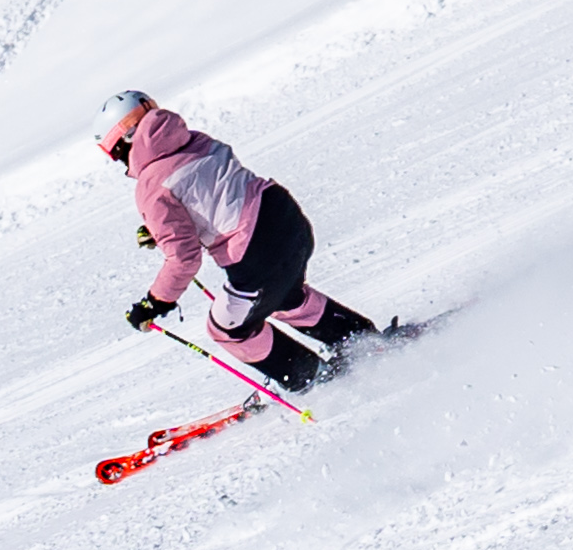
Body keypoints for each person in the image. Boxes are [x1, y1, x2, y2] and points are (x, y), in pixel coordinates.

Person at [97, 91, 375, 386]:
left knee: (226, 328)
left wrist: (155, 302)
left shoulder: (151, 186)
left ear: (127, 139)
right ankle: (365, 342)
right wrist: (163, 229)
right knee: (282, 297)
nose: (122, 163)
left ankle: (313, 379)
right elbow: (212, 196)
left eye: (116, 153)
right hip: (286, 218)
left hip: (256, 252)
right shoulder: (196, 140)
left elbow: (184, 259)